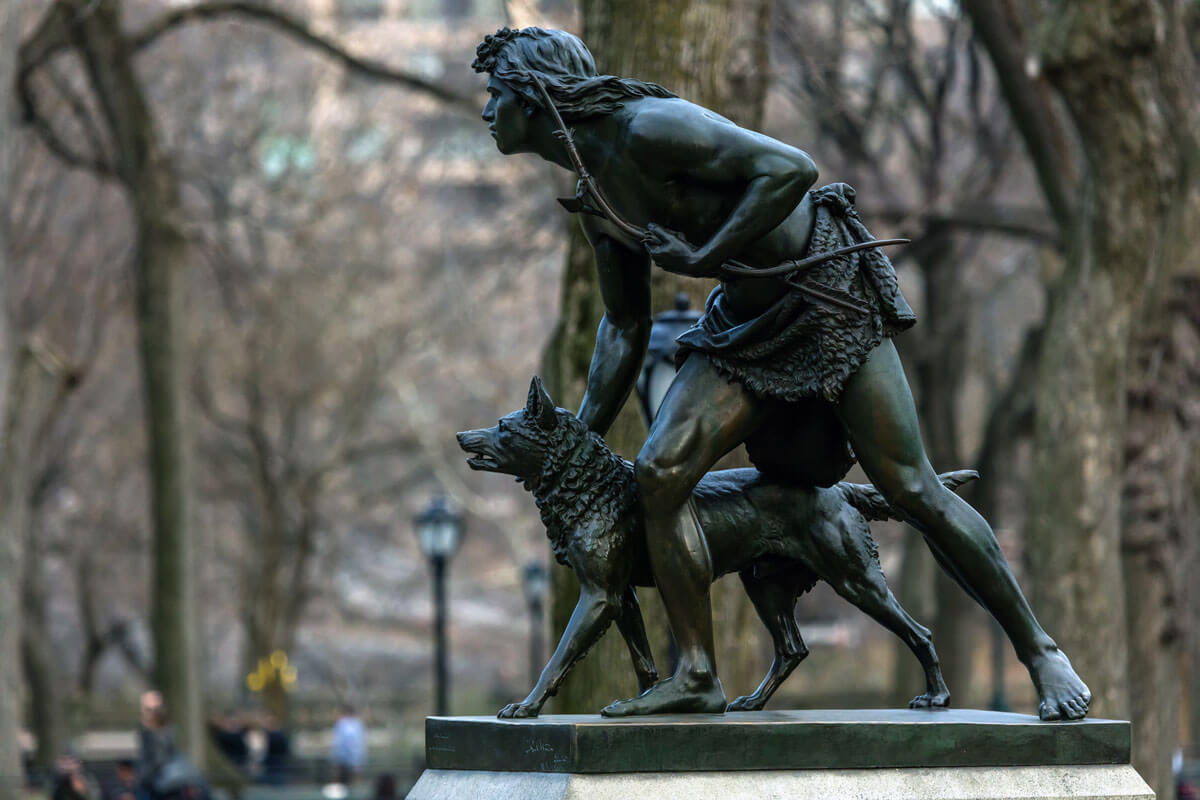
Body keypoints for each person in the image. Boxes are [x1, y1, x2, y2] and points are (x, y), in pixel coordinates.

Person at [472, 26, 1091, 721]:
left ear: (533, 91)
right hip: (744, 328)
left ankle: (1040, 651)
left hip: (826, 297)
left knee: (910, 485)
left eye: (496, 94)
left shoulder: (647, 128)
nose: (487, 111)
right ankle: (697, 674)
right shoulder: (596, 194)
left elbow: (791, 168)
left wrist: (704, 250)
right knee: (658, 473)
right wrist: (575, 436)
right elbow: (623, 326)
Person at [329, 705, 366, 786]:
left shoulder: (342, 724)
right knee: (351, 782)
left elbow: (338, 743)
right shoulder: (357, 724)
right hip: (351, 759)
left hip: (346, 759)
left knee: (342, 782)